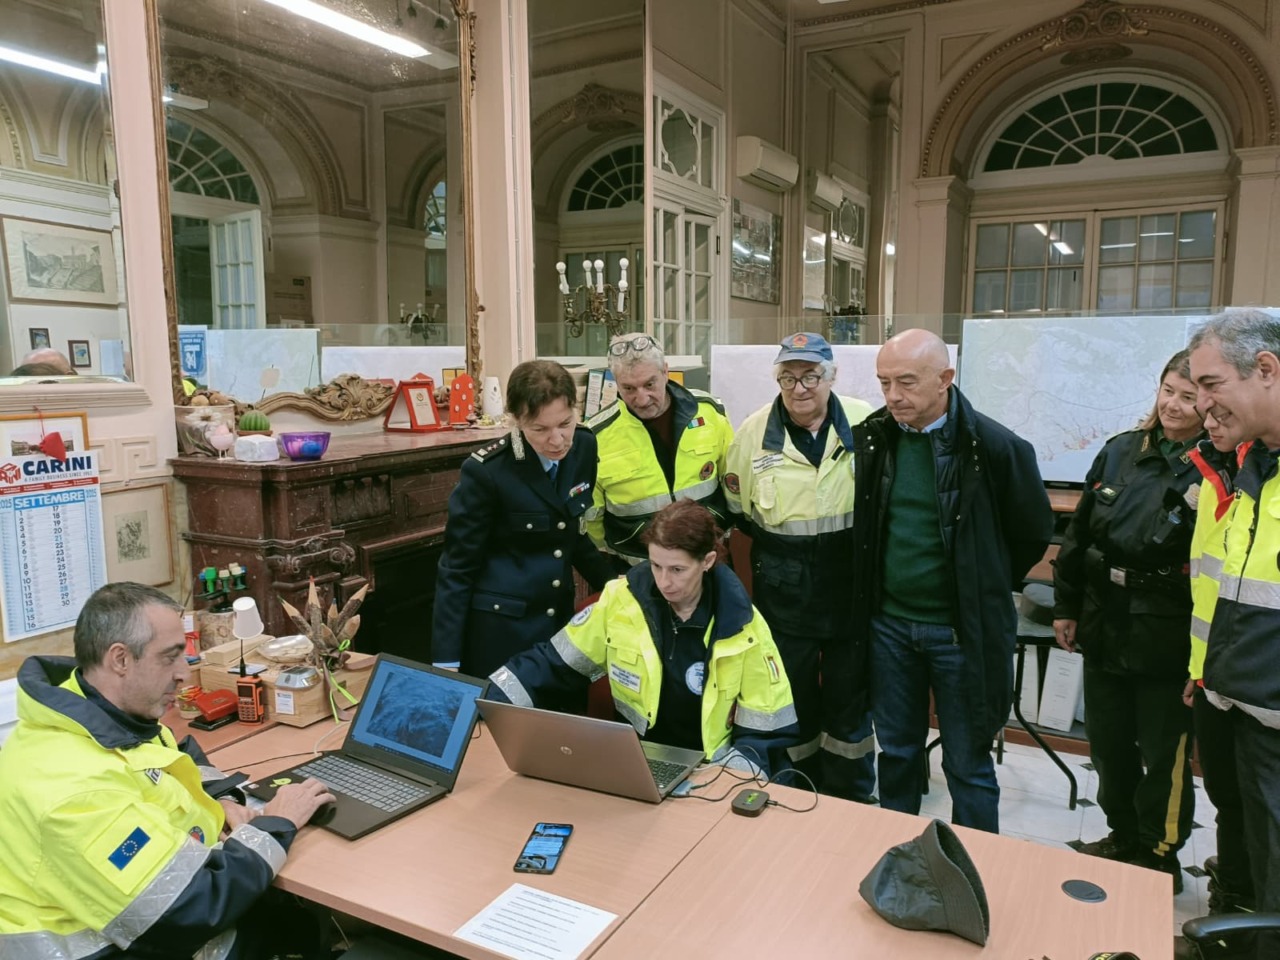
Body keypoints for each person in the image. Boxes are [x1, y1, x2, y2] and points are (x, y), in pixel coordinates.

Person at [0, 582, 335, 960]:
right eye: (171, 656)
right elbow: (186, 911)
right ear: (121, 659)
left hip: (147, 920)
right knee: (304, 921)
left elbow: (171, 756)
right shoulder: (77, 792)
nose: (184, 673)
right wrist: (274, 824)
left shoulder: (98, 711)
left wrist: (220, 799)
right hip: (121, 948)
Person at [851, 328, 1053, 833]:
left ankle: (971, 873)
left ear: (945, 379)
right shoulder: (874, 439)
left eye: (906, 382)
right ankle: (896, 857)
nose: (894, 396)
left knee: (968, 764)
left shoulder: (996, 447)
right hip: (890, 627)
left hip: (962, 633)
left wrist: (977, 585)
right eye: (884, 383)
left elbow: (1031, 535)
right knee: (896, 753)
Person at [487, 499, 799, 775]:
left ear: (707, 562)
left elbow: (765, 731)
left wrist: (724, 783)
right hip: (638, 764)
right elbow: (551, 664)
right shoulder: (621, 601)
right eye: (656, 566)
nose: (665, 582)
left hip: (712, 771)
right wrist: (489, 701)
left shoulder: (743, 626)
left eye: (677, 570)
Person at [1052, 350, 1205, 892]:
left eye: (1189, 396)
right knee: (1108, 742)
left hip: (1166, 627)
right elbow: (1080, 537)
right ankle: (1120, 834)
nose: (1174, 405)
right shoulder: (1121, 451)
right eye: (1169, 390)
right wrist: (1066, 607)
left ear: (1210, 400)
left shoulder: (1217, 464)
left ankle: (1159, 852)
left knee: (1163, 752)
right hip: (1104, 618)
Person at [724, 332, 876, 800]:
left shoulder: (868, 423)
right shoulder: (752, 432)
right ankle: (797, 788)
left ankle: (851, 794)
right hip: (783, 589)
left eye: (811, 375)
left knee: (851, 698)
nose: (800, 387)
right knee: (789, 696)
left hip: (851, 585)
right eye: (788, 377)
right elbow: (738, 510)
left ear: (832, 376)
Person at [1188, 308, 1280, 957]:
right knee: (1248, 858)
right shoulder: (1256, 464)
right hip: (1235, 701)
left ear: (1267, 369)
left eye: (1211, 382)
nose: (1201, 401)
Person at [432, 359, 613, 679]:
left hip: (560, 627)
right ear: (515, 420)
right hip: (501, 635)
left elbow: (572, 532)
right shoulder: (486, 471)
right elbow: (456, 571)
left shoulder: (584, 445)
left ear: (576, 410)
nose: (557, 440)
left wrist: (616, 589)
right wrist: (446, 662)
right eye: (540, 429)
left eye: (565, 423)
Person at [1185, 409, 1255, 916]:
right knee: (1227, 798)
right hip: (1216, 673)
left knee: (1256, 809)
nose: (1208, 420)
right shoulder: (1213, 473)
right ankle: (1230, 905)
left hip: (1260, 683)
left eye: (1219, 406)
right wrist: (1197, 669)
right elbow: (1209, 591)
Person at [586, 333, 734, 566]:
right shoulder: (596, 435)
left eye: (649, 384)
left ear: (665, 372)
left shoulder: (708, 411)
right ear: (615, 382)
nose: (642, 399)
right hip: (636, 566)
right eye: (629, 388)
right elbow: (592, 517)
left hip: (705, 559)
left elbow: (733, 483)